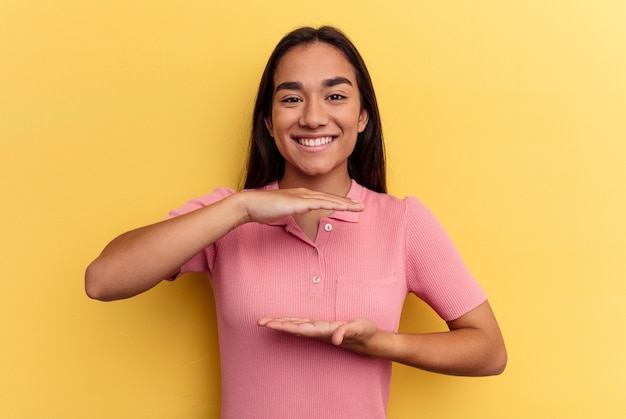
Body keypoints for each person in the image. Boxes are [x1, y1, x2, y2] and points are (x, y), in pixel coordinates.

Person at [85, 26, 506, 419]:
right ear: (269, 122)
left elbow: (489, 351)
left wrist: (379, 343)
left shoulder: (403, 222)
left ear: (363, 117)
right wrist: (243, 209)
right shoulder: (227, 215)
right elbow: (103, 281)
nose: (312, 117)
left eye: (335, 96)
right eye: (291, 98)